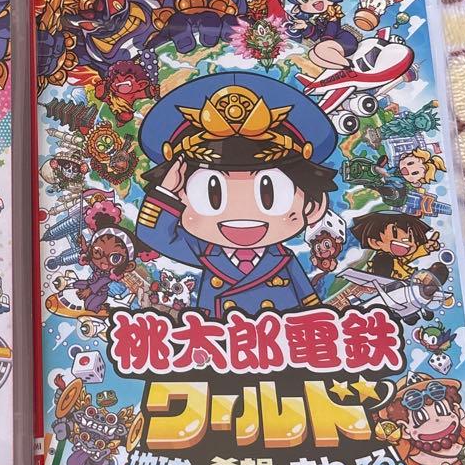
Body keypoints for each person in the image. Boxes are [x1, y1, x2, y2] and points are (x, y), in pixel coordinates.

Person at [135, 72, 337, 317]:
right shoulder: (204, 251)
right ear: (181, 196)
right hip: (218, 338)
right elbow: (153, 234)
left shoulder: (284, 258)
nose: (242, 212)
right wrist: (165, 192)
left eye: (270, 194)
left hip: (281, 337)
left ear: (312, 205)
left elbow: (311, 307)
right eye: (211, 194)